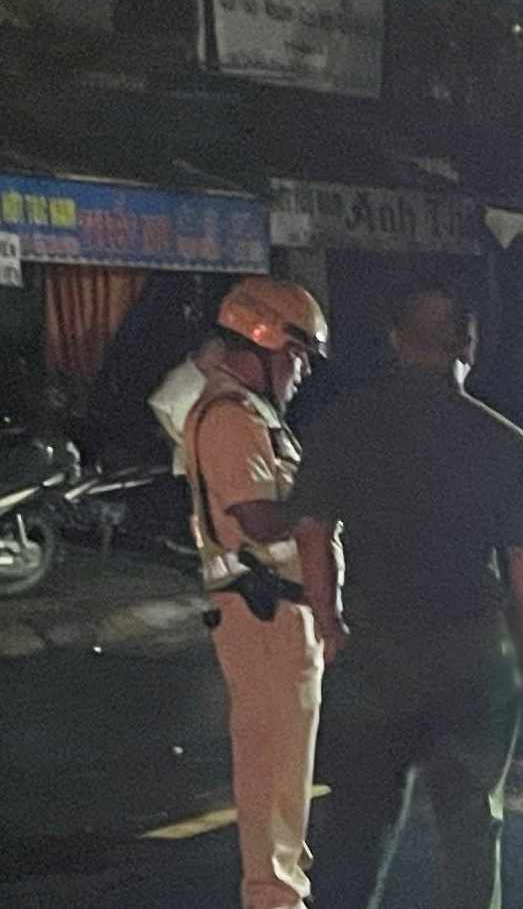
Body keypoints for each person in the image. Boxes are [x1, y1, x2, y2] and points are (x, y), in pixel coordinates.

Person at [296, 279, 523, 909]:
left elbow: (311, 531)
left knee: (357, 825)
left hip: (376, 654)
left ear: (394, 340)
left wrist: (328, 623)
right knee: (468, 829)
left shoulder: (343, 425)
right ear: (469, 342)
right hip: (473, 659)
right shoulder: (503, 441)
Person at [183, 277, 328, 909]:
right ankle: (274, 898)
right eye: (296, 356)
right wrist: (328, 498)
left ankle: (282, 889)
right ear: (263, 343)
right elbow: (259, 517)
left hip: (276, 613)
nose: (299, 373)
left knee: (286, 770)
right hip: (263, 611)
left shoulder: (253, 415)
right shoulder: (232, 419)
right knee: (273, 769)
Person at [151, 334, 227, 476]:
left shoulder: (220, 378)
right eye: (215, 349)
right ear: (203, 350)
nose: (220, 355)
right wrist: (177, 438)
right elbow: (158, 404)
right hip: (187, 447)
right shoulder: (180, 376)